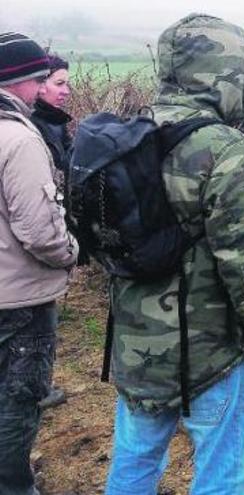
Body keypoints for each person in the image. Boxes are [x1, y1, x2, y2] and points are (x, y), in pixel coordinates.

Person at [101, 15, 244, 493]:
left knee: (135, 460)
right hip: (208, 353)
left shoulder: (128, 134)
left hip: (135, 343)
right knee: (224, 474)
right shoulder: (222, 147)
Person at [0, 32, 79, 495]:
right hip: (19, 300)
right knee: (18, 398)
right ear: (23, 82)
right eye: (39, 79)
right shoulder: (19, 139)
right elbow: (38, 229)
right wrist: (71, 251)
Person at [28, 52, 74, 410]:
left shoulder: (51, 125)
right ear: (38, 84)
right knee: (32, 327)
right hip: (27, 264)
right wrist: (67, 250)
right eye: (59, 83)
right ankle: (33, 391)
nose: (67, 91)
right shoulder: (31, 132)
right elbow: (35, 221)